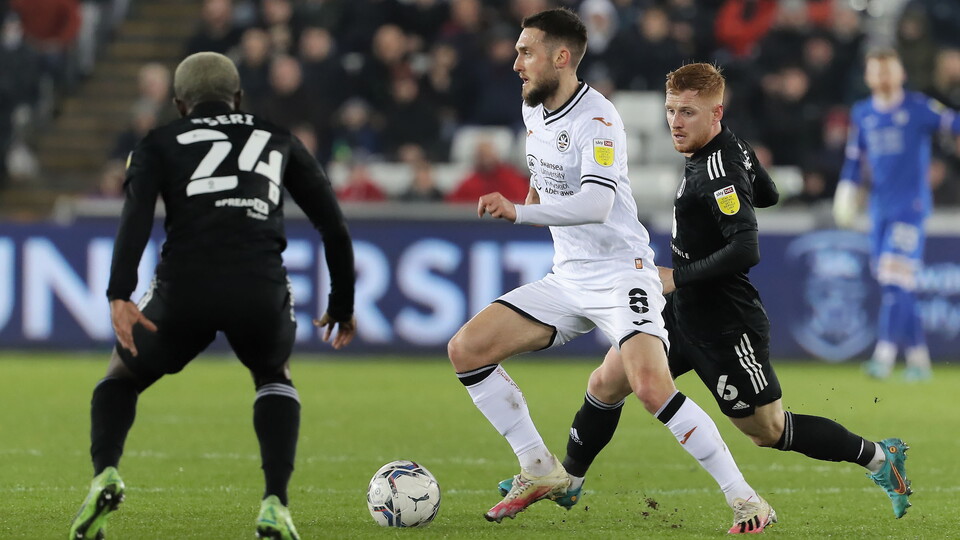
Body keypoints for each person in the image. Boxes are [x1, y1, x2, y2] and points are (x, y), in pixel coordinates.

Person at [510, 62, 914, 524]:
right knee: (606, 382)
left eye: (688, 112)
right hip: (681, 311)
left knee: (768, 430)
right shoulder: (727, 148)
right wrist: (738, 173)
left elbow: (746, 249)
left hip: (726, 323)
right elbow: (770, 193)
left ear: (715, 112)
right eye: (670, 110)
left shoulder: (716, 169)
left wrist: (677, 275)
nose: (675, 122)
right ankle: (570, 482)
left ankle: (881, 458)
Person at [448, 9, 775, 532]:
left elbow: (597, 203)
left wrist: (521, 210)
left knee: (650, 388)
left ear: (561, 57)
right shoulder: (534, 107)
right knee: (466, 349)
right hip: (568, 276)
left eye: (525, 52)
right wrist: (535, 192)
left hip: (622, 274)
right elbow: (545, 169)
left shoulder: (597, 119)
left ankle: (746, 500)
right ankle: (539, 468)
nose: (515, 63)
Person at [68, 52, 357, 540]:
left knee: (120, 377)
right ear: (238, 97)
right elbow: (332, 223)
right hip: (259, 285)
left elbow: (134, 219)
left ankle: (105, 475)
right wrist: (343, 303)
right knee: (273, 376)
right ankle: (274, 504)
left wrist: (119, 294)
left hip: (185, 288)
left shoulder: (158, 143)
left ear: (180, 104)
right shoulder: (278, 137)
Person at [834, 49, 960, 381]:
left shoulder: (918, 107)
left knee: (893, 280)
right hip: (879, 211)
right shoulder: (862, 113)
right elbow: (853, 159)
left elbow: (954, 123)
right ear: (869, 77)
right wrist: (846, 192)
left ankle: (884, 357)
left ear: (901, 74)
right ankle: (919, 361)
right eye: (878, 72)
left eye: (890, 71)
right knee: (898, 284)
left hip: (911, 209)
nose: (884, 77)